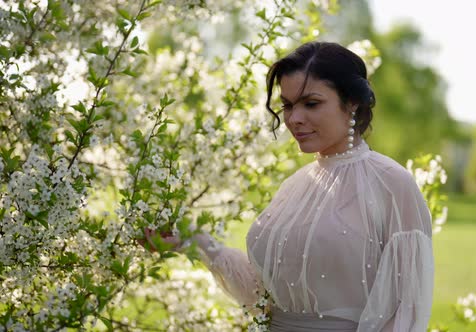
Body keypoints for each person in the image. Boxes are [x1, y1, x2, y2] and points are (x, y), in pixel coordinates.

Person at [144, 41, 434, 331]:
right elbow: (264, 299)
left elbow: (405, 311)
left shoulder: (392, 183)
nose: (294, 119)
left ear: (352, 103)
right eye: (287, 105)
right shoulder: (296, 186)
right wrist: (193, 240)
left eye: (311, 103)